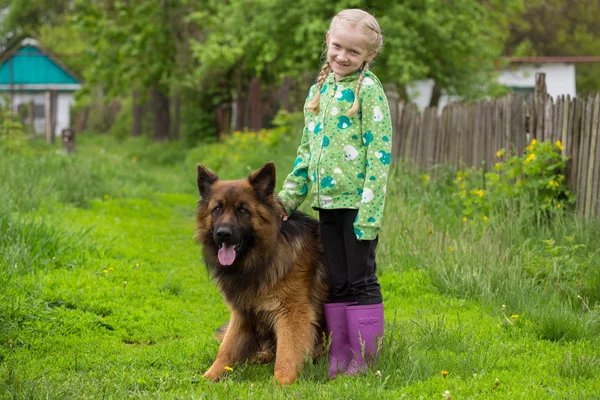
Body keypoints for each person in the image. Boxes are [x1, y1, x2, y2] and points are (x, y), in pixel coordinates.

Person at [277, 8, 392, 379]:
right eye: (338, 47)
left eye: (354, 52)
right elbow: (306, 152)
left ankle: (364, 359)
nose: (343, 56)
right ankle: (339, 357)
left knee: (361, 279)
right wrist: (286, 200)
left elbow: (379, 155)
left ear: (369, 56)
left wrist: (370, 213)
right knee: (337, 280)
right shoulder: (320, 91)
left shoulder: (371, 92)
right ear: (328, 41)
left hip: (358, 208)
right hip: (327, 206)